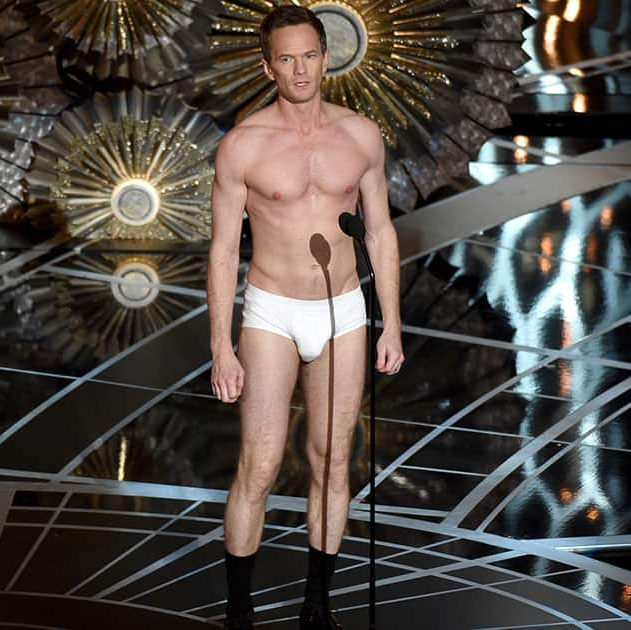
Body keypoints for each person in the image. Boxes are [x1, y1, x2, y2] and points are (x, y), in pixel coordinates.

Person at [206, 5, 404, 629]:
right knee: (259, 465)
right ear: (269, 66)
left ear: (327, 56)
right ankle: (240, 611)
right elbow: (218, 252)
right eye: (285, 59)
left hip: (343, 308)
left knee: (331, 461)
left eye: (308, 55)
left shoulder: (362, 136)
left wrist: (392, 322)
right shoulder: (243, 145)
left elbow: (380, 232)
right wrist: (220, 344)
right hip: (271, 311)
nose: (298, 69)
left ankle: (316, 608)